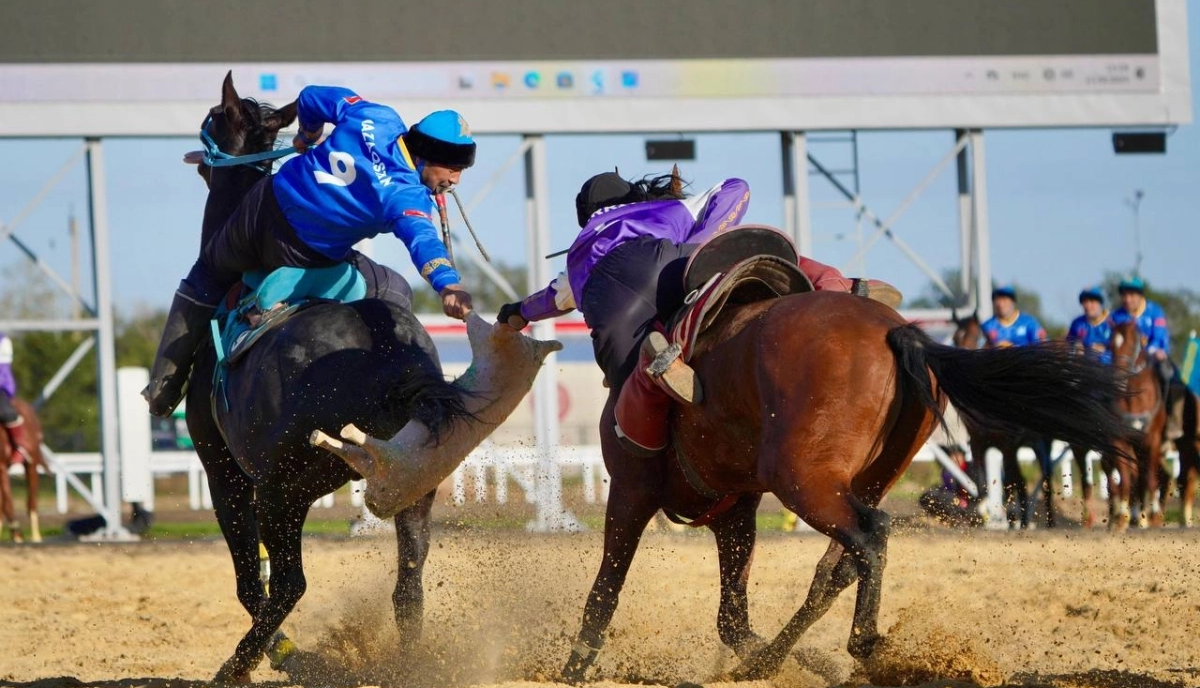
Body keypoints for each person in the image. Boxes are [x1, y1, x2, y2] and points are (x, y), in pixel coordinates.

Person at [496, 169, 901, 456]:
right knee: (752, 255)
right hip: (670, 263)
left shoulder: (578, 254)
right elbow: (735, 187)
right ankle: (839, 287)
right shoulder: (661, 211)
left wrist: (515, 313)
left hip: (610, 309)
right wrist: (705, 244)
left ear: (587, 217)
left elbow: (546, 301)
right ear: (632, 198)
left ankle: (657, 370)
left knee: (632, 425)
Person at [144, 86, 477, 417]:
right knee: (395, 288)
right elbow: (423, 240)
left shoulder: (377, 116)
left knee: (208, 272)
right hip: (300, 256)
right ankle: (394, 395)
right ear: (425, 155)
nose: (456, 180)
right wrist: (448, 284)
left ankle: (164, 388)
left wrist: (307, 134)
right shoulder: (406, 197)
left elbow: (312, 97)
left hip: (257, 213)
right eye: (452, 169)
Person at [1110, 276, 1183, 439]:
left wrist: (1152, 350)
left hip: (1152, 358)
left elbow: (1159, 337)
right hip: (1125, 363)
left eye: (1132, 295)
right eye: (1124, 295)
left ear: (1140, 295)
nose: (1127, 299)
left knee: (1173, 378)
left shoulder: (1154, 311)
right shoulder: (1116, 316)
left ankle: (1174, 421)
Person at [980, 286, 1047, 347]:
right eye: (997, 300)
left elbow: (1041, 346)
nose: (1001, 304)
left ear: (1013, 301)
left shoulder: (1029, 323)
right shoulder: (987, 326)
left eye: (1004, 299)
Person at [1065, 286, 1113, 364]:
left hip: (1107, 369)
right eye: (1085, 302)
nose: (1088, 305)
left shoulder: (1112, 323)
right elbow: (1068, 344)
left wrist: (1103, 352)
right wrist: (1075, 346)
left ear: (1100, 303)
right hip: (1083, 369)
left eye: (1092, 301)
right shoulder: (1077, 323)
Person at [0, 332, 26, 462]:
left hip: (1, 385)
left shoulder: (3, 341)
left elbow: (3, 368)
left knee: (6, 412)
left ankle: (19, 447)